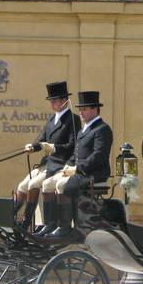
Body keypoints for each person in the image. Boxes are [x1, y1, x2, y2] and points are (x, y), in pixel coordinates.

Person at [41, 90, 112, 239]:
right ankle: (50, 224)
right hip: (77, 171)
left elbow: (98, 156)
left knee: (61, 185)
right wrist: (68, 165)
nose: (80, 112)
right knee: (47, 184)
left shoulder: (102, 129)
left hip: (93, 173)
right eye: (80, 109)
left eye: (84, 109)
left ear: (94, 109)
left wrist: (77, 169)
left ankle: (65, 227)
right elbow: (76, 153)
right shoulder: (83, 130)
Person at [14, 81, 81, 232]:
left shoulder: (73, 119)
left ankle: (26, 223)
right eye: (51, 101)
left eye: (55, 101)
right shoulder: (52, 119)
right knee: (22, 186)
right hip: (47, 163)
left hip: (60, 164)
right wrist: (33, 146)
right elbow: (41, 138)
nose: (52, 104)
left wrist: (52, 147)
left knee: (33, 185)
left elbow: (72, 145)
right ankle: (10, 216)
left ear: (64, 100)